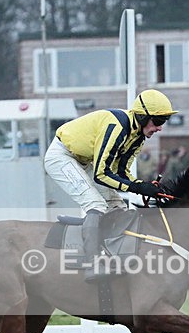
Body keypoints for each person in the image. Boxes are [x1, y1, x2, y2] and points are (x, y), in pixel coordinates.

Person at [44, 89, 177, 282]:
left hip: (86, 161)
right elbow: (101, 174)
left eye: (163, 122)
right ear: (141, 116)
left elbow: (121, 172)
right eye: (157, 121)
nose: (160, 128)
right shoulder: (117, 126)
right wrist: (137, 188)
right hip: (62, 157)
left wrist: (145, 186)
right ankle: (92, 263)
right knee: (96, 205)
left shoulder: (137, 137)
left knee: (118, 207)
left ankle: (115, 257)